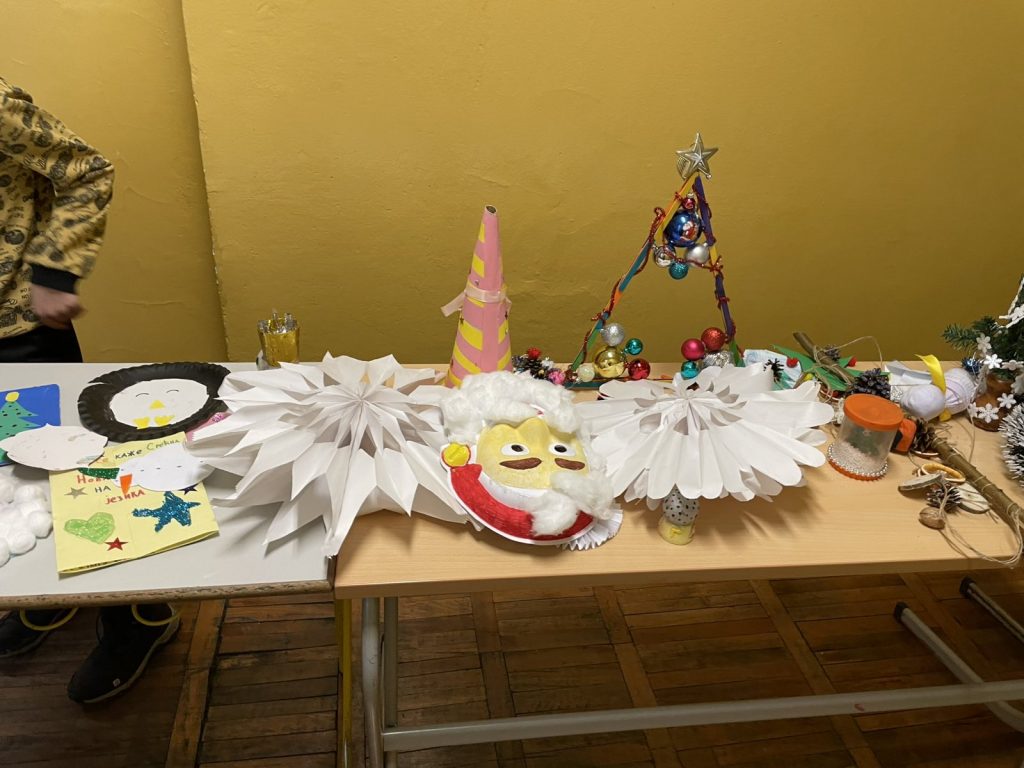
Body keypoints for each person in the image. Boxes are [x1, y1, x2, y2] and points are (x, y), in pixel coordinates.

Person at [0, 76, 179, 703]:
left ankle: (139, 618)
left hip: (17, 337)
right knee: (12, 494)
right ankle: (51, 598)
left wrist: (54, 271)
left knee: (69, 480)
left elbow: (85, 170)